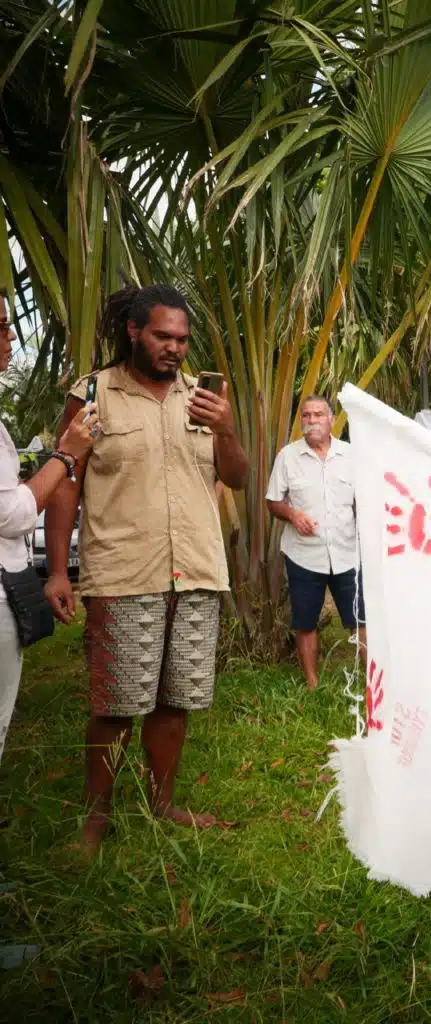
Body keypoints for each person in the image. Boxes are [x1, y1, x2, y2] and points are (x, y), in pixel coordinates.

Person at [44, 284, 249, 856]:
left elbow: (236, 478)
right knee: (115, 704)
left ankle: (162, 804)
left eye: (182, 339)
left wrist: (227, 430)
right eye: (163, 336)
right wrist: (58, 571)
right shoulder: (93, 395)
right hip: (124, 571)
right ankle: (96, 819)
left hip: (196, 571)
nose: (175, 349)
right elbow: (66, 481)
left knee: (174, 699)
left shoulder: (201, 398)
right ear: (134, 331)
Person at [1, 289, 99, 762]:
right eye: (1, 328)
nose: (10, 336)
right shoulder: (90, 393)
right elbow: (16, 514)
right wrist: (65, 454)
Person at [266, 395, 365, 691]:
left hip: (347, 552)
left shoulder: (352, 456)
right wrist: (293, 514)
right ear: (301, 422)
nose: (312, 420)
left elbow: (365, 502)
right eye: (307, 415)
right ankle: (312, 684)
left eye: (318, 414)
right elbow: (273, 501)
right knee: (305, 621)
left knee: (360, 619)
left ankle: (373, 684)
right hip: (303, 555)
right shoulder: (287, 456)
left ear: (331, 420)